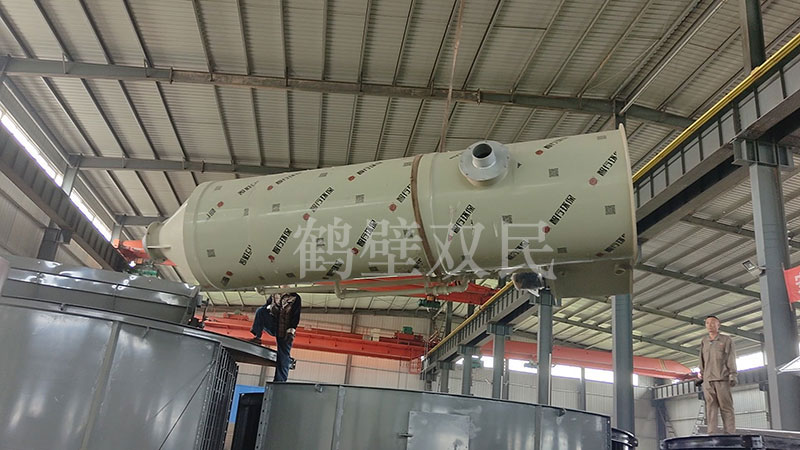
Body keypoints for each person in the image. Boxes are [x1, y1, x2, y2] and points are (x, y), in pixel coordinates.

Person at [250, 292, 301, 382]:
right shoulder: (275, 294)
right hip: (273, 325)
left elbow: (295, 316)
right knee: (260, 311)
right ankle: (257, 337)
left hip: (285, 330)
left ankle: (279, 381)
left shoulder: (295, 297)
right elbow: (265, 306)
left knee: (283, 355)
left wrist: (291, 331)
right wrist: (269, 308)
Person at [699, 315, 737, 434]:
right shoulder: (704, 341)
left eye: (712, 323)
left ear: (718, 325)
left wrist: (733, 374)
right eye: (707, 323)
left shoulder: (726, 340)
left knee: (726, 407)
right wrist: (702, 374)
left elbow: (731, 358)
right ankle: (712, 434)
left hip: (722, 378)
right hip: (708, 380)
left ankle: (730, 433)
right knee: (710, 408)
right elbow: (701, 359)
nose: (710, 325)